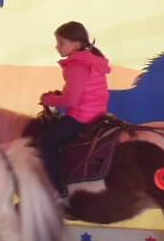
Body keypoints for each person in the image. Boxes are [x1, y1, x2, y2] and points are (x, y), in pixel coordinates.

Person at [36, 21, 112, 194]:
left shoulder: (77, 65)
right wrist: (59, 95)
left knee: (46, 141)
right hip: (97, 113)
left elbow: (70, 100)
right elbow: (82, 91)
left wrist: (48, 99)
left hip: (82, 117)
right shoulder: (92, 60)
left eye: (61, 43)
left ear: (76, 44)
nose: (57, 47)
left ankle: (57, 189)